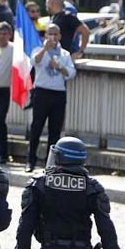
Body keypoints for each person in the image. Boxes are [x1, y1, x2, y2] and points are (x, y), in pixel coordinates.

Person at [26, 24, 77, 172]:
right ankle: (31, 160)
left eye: (55, 34)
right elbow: (34, 61)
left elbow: (71, 73)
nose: (53, 37)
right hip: (41, 92)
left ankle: (50, 163)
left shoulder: (65, 54)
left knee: (55, 130)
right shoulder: (39, 50)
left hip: (58, 93)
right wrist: (45, 49)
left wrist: (60, 67)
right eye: (50, 34)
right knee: (36, 127)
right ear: (45, 35)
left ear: (59, 36)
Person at [0, 22, 14, 164]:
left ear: (9, 35)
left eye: (4, 34)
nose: (1, 36)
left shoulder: (14, 49)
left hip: (4, 89)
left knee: (0, 120)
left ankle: (3, 153)